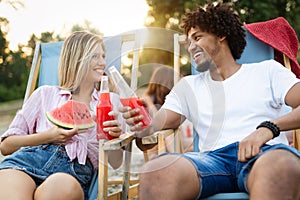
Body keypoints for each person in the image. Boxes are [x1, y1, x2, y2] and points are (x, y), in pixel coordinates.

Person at [120, 2, 300, 200]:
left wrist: (268, 128)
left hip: (263, 153)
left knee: (282, 165)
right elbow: (157, 123)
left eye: (197, 38)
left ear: (220, 34)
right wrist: (143, 120)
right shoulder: (188, 86)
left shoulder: (266, 71)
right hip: (211, 162)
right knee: (155, 172)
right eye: (188, 42)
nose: (191, 47)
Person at [0, 31, 124, 200]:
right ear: (77, 59)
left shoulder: (110, 101)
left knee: (61, 188)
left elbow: (116, 163)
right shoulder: (44, 94)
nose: (102, 62)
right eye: (95, 56)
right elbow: (6, 146)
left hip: (72, 172)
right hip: (26, 162)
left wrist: (113, 137)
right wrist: (48, 136)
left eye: (103, 56)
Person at [142, 65, 193, 159]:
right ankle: (178, 159)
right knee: (167, 133)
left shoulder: (171, 100)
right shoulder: (147, 101)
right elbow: (157, 122)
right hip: (158, 146)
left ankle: (179, 159)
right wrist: (149, 104)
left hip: (174, 145)